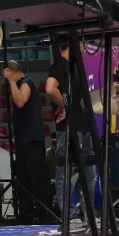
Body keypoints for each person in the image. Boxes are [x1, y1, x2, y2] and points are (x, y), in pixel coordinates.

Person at [44, 42, 96, 224]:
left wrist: (65, 104)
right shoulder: (61, 64)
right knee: (67, 171)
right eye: (82, 43)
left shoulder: (74, 67)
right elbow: (50, 88)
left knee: (88, 173)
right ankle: (69, 214)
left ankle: (87, 214)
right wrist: (65, 105)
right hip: (69, 127)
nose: (84, 47)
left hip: (83, 125)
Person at [3, 60, 54, 224]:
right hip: (23, 138)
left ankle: (45, 213)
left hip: (31, 138)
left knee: (36, 177)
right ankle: (26, 214)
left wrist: (11, 81)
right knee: (23, 178)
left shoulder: (26, 82)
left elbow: (20, 101)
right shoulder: (20, 84)